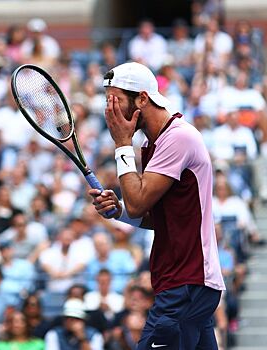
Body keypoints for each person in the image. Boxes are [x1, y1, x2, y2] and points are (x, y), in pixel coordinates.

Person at [91, 62, 225, 349]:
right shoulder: (157, 143)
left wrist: (122, 143)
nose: (110, 112)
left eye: (116, 102)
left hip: (185, 283)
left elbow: (138, 203)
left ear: (142, 99)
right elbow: (158, 216)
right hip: (188, 284)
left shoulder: (178, 137)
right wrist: (121, 211)